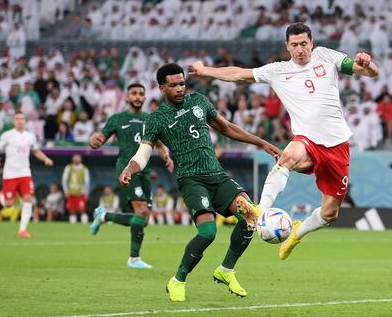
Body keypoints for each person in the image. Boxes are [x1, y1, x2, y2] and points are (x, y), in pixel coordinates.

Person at [188, 22, 379, 261]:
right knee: (288, 156)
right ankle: (260, 210)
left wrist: (367, 63)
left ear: (312, 43)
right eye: (295, 45)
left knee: (330, 214)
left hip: (337, 145)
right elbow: (238, 74)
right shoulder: (277, 70)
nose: (300, 49)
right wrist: (205, 70)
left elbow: (370, 72)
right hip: (307, 141)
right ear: (287, 47)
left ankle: (298, 233)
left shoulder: (326, 56)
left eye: (304, 44)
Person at [120, 63, 281, 302]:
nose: (179, 89)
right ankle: (178, 280)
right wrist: (129, 168)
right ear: (162, 87)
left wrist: (262, 143)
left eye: (182, 83)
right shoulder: (156, 119)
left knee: (250, 217)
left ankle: (226, 270)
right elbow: (143, 153)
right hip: (192, 180)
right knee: (208, 232)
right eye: (173, 85)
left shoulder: (198, 102)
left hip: (217, 176)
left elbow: (226, 128)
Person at [89, 83, 174, 269]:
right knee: (141, 211)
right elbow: (100, 138)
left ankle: (104, 216)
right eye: (133, 93)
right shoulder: (117, 119)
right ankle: (134, 259)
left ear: (144, 98)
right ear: (127, 97)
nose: (137, 96)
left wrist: (166, 155)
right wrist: (94, 141)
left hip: (145, 170)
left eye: (141, 94)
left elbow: (158, 141)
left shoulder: (150, 119)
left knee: (143, 219)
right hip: (126, 168)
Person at [0, 112, 54, 237]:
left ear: (25, 121)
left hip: (25, 173)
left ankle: (22, 230)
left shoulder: (30, 136)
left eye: (22, 119)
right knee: (8, 204)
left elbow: (36, 151)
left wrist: (45, 159)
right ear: (14, 121)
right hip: (10, 174)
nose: (19, 121)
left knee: (28, 199)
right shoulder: (7, 135)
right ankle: (1, 197)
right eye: (17, 119)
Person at [62, 154, 90, 224]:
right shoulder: (68, 167)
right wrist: (66, 191)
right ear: (72, 159)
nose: (76, 160)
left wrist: (86, 193)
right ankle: (73, 226)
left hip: (81, 193)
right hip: (71, 192)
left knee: (82, 209)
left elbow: (87, 182)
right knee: (71, 210)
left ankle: (84, 224)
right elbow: (64, 180)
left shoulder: (84, 169)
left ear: (81, 159)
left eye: (78, 158)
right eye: (75, 158)